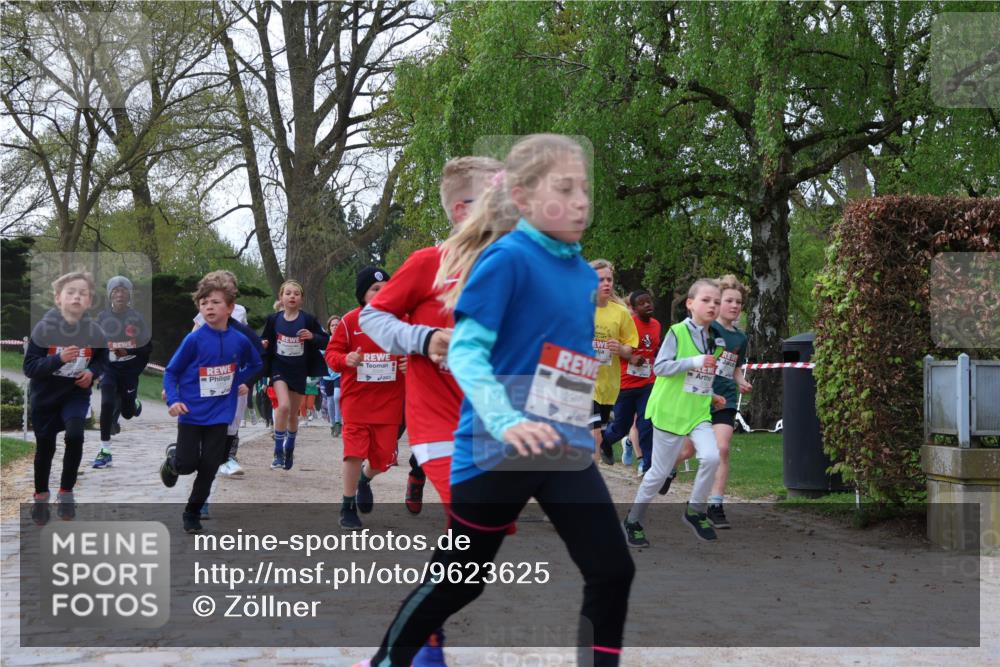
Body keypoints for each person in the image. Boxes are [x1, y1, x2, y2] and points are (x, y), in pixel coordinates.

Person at [360, 134, 634, 667]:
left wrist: (581, 421)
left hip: (560, 446)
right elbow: (465, 353)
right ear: (524, 199)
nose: (581, 201)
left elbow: (560, 360)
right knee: (461, 581)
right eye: (565, 189)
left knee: (612, 569)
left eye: (585, 189)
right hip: (494, 447)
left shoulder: (581, 275)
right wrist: (506, 419)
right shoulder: (506, 258)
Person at [359, 155, 502, 666]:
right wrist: (423, 338)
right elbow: (372, 318)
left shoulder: (509, 268)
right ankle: (404, 651)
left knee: (471, 553)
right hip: (440, 424)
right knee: (470, 533)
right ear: (464, 210)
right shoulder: (428, 263)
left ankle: (423, 637)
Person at [622, 279, 727, 548]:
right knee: (658, 474)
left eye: (717, 301)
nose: (712, 305)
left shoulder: (717, 339)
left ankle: (695, 511)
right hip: (669, 413)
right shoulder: (677, 333)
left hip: (697, 412)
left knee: (712, 457)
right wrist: (693, 361)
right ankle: (634, 520)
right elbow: (661, 367)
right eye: (706, 300)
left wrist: (711, 393)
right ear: (690, 304)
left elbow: (700, 376)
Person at [159, 273, 262, 533]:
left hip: (220, 414)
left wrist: (245, 381)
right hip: (192, 413)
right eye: (204, 303)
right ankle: (173, 461)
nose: (209, 307)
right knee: (187, 464)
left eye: (215, 302)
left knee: (209, 467)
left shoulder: (239, 340)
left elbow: (257, 363)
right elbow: (171, 372)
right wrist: (174, 399)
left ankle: (192, 512)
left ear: (230, 308)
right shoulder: (193, 340)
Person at [24, 271, 109, 524]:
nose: (76, 297)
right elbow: (29, 367)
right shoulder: (44, 328)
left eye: (82, 293)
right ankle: (41, 495)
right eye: (70, 292)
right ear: (58, 298)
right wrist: (58, 359)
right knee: (46, 447)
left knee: (75, 435)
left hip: (75, 393)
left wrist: (92, 372)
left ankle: (66, 492)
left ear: (90, 301)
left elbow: (103, 358)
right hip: (45, 397)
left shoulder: (94, 331)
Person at [325, 266, 405, 531]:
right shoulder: (349, 321)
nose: (382, 294)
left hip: (390, 403)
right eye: (375, 289)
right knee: (353, 453)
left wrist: (410, 364)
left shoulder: (401, 321)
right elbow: (332, 354)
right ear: (363, 294)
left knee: (384, 460)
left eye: (386, 289)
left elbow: (416, 350)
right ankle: (347, 506)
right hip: (356, 401)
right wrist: (346, 359)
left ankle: (364, 479)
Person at [672, 274, 753, 529]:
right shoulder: (706, 330)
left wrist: (740, 381)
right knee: (687, 451)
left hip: (725, 399)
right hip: (698, 397)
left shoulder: (740, 338)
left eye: (738, 302)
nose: (735, 306)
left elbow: (735, 367)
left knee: (722, 449)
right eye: (729, 300)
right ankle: (665, 470)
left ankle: (715, 504)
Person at [191, 270, 259, 478]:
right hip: (210, 370)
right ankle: (201, 453)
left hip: (233, 370)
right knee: (210, 414)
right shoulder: (207, 308)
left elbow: (245, 337)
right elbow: (194, 334)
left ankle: (228, 457)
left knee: (234, 417)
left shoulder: (239, 312)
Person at [260, 281, 330, 470]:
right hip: (279, 368)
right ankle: (278, 452)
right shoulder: (274, 319)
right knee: (283, 407)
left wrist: (313, 337)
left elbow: (326, 341)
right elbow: (264, 340)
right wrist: (263, 344)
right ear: (281, 298)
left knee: (293, 413)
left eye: (296, 294)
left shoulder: (308, 320)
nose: (292, 296)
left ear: (301, 299)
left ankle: (289, 447)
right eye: (288, 293)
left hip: (299, 370)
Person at [597, 289, 660, 475]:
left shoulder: (656, 325)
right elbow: (613, 349)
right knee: (621, 427)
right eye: (642, 303)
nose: (647, 305)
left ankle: (648, 465)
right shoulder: (627, 323)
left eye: (649, 301)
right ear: (632, 308)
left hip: (647, 383)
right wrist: (630, 356)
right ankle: (605, 441)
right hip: (625, 384)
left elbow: (654, 349)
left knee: (646, 424)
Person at [93, 276, 152, 468]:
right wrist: (95, 370)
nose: (119, 294)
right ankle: (105, 450)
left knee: (127, 413)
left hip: (129, 372)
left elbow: (146, 347)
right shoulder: (102, 318)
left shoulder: (137, 319)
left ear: (129, 296)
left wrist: (129, 352)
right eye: (116, 291)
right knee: (107, 403)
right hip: (109, 370)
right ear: (110, 295)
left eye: (123, 291)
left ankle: (133, 403)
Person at [589, 259, 637, 465]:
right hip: (581, 380)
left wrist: (620, 348)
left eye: (609, 279)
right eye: (601, 280)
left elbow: (629, 347)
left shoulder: (620, 312)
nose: (607, 283)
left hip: (608, 384)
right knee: (595, 435)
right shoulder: (578, 306)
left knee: (595, 436)